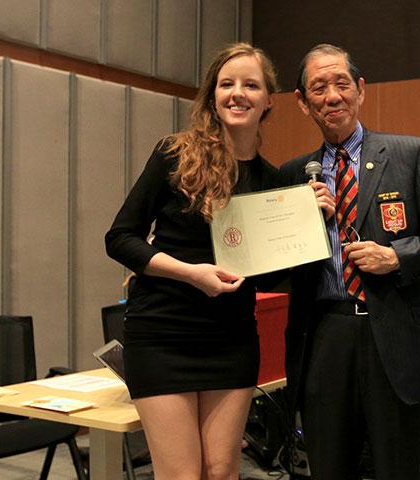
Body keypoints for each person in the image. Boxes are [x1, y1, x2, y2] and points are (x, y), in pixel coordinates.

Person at [281, 43, 420, 480]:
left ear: (361, 90)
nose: (332, 96)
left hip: (395, 335)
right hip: (325, 334)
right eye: (319, 88)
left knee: (395, 466)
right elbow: (280, 264)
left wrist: (396, 257)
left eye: (342, 84)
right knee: (329, 465)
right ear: (302, 102)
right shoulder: (294, 175)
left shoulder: (410, 154)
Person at [105, 43, 291, 480]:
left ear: (269, 101)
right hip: (163, 333)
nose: (237, 93)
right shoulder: (174, 155)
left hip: (232, 339)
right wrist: (191, 274)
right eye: (226, 84)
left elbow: (279, 272)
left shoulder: (274, 182)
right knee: (183, 475)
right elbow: (120, 238)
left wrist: (312, 221)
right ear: (212, 95)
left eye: (251, 84)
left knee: (222, 470)